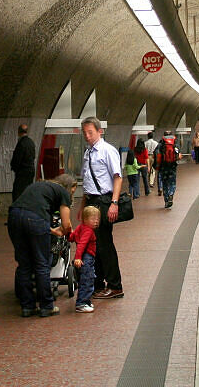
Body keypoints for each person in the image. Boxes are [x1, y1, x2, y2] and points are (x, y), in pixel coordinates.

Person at [7, 173, 77, 317]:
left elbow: (29, 212)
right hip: (36, 220)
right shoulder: (63, 192)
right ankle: (46, 306)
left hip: (14, 217)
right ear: (70, 187)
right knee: (42, 264)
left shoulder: (38, 185)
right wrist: (67, 231)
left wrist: (51, 231)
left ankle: (27, 307)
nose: (72, 195)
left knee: (24, 265)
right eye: (73, 191)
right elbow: (66, 223)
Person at [80, 116, 124, 300]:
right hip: (90, 201)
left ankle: (115, 286)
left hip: (104, 201)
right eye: (85, 133)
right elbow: (87, 180)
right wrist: (83, 206)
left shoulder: (107, 151)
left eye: (90, 132)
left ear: (100, 131)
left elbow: (118, 177)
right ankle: (98, 284)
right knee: (93, 244)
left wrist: (114, 203)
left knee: (104, 245)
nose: (87, 136)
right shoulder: (88, 152)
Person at [69, 205, 100, 313]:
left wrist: (69, 233)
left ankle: (85, 301)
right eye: (93, 219)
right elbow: (82, 244)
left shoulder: (81, 227)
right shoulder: (88, 231)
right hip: (87, 258)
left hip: (83, 258)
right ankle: (81, 303)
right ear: (85, 219)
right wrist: (78, 257)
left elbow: (72, 237)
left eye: (97, 219)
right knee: (87, 280)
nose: (96, 221)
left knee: (85, 279)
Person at [10, 124, 37, 202]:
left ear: (19, 132)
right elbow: (33, 156)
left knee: (18, 192)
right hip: (31, 171)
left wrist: (14, 167)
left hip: (22, 172)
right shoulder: (31, 142)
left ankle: (17, 210)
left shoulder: (21, 143)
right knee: (28, 191)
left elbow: (17, 158)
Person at [155, 130, 180, 208]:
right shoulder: (175, 144)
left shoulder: (160, 144)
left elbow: (156, 155)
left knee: (165, 183)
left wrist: (157, 166)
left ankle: (166, 201)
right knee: (172, 182)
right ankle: (171, 194)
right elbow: (178, 156)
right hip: (172, 167)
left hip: (163, 167)